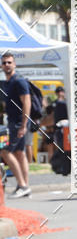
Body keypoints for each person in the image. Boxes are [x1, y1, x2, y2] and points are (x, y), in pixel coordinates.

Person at [0, 51, 31, 197]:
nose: (7, 65)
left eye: (9, 62)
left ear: (14, 64)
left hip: (19, 122)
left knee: (5, 151)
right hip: (13, 121)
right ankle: (25, 185)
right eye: (4, 63)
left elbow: (27, 102)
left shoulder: (19, 81)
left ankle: (23, 186)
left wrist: (24, 124)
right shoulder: (8, 82)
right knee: (20, 153)